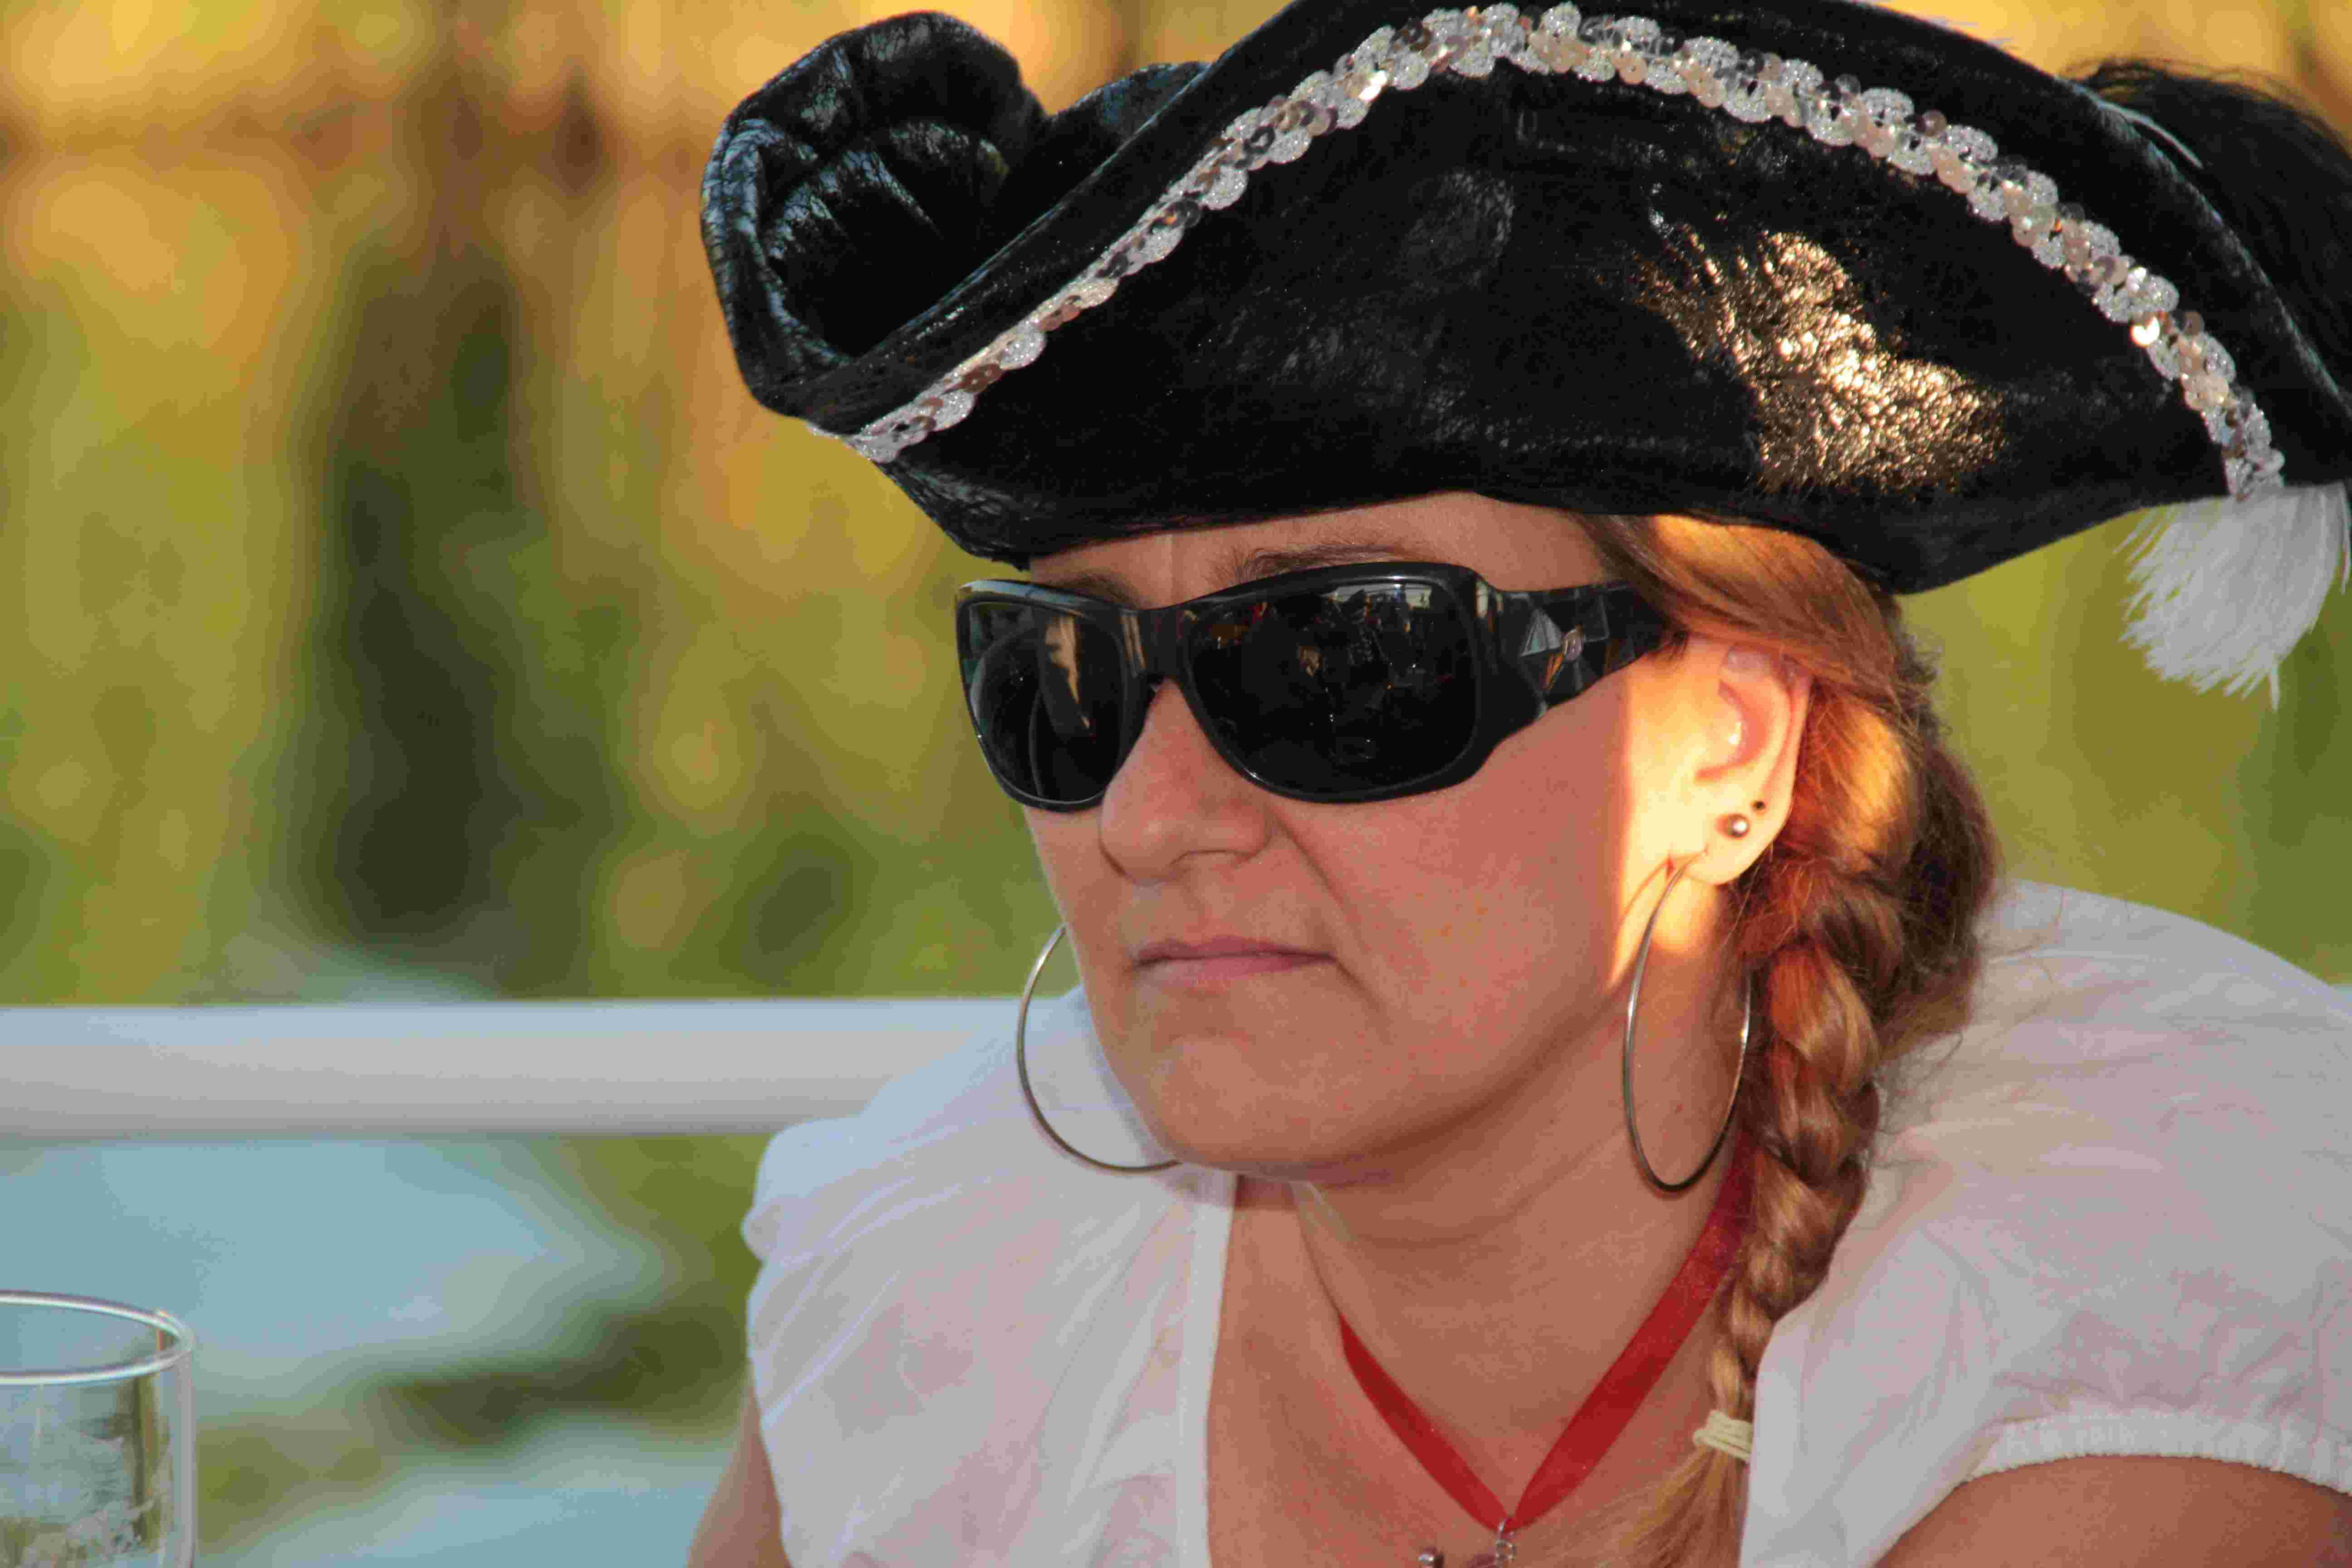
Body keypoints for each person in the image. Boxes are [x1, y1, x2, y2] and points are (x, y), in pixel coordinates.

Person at [686, 1, 2352, 1563]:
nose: (1144, 816)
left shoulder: (2142, 1309)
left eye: (1343, 661)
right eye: (1063, 672)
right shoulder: (931, 1310)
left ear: (1734, 742)